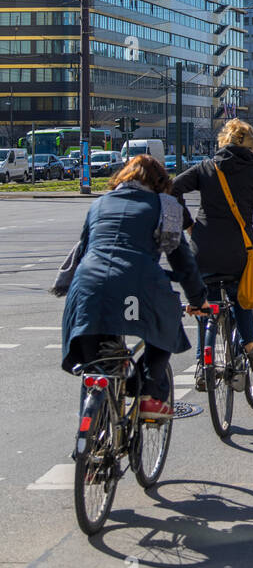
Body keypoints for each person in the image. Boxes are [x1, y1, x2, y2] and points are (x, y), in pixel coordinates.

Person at [61, 154, 209, 421]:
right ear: (160, 182)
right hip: (138, 284)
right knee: (169, 315)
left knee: (95, 364)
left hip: (88, 284)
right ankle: (150, 394)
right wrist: (198, 300)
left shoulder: (99, 203)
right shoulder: (165, 206)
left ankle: (90, 437)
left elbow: (83, 249)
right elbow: (182, 261)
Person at [172, 119, 253, 381]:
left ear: (223, 142)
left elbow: (172, 187)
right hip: (238, 251)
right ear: (252, 147)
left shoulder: (206, 168)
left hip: (202, 249)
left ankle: (203, 364)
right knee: (242, 296)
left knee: (206, 303)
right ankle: (250, 347)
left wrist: (188, 224)